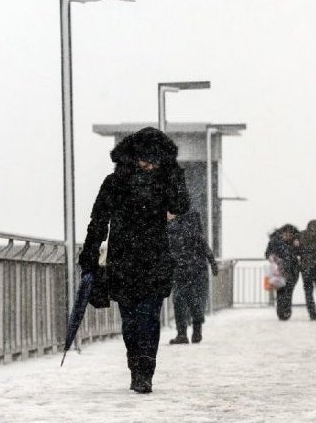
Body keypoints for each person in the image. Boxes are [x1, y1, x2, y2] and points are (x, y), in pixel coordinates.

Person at [78, 127, 190, 394]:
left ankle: (145, 372)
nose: (150, 165)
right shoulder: (115, 182)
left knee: (147, 317)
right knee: (131, 320)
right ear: (133, 157)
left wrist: (174, 174)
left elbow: (180, 206)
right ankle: (136, 367)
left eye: (155, 160)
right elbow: (98, 220)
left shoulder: (164, 180)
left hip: (150, 258)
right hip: (127, 259)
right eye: (145, 159)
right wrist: (91, 253)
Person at [166, 210, 218, 345]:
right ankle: (196, 331)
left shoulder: (170, 229)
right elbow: (204, 246)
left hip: (181, 271)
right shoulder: (192, 229)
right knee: (196, 302)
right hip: (197, 269)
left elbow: (167, 252)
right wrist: (212, 263)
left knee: (179, 302)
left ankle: (182, 334)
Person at [265, 224, 300, 320]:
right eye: (287, 233)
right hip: (281, 270)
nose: (288, 235)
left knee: (287, 292)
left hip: (291, 270)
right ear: (282, 233)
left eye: (290, 234)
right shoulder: (276, 241)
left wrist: (298, 245)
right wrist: (273, 257)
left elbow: (300, 252)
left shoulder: (293, 241)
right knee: (282, 292)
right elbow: (267, 253)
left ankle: (284, 312)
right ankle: (283, 312)